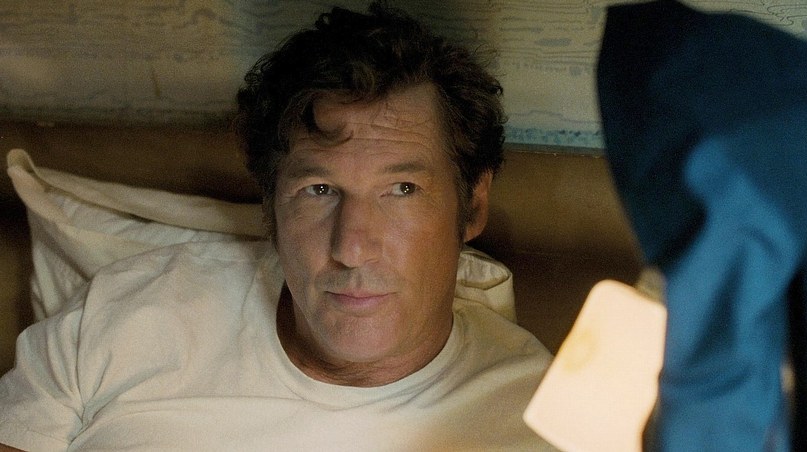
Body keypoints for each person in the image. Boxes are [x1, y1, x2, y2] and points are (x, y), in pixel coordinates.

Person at [0, 2, 554, 450]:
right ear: (270, 206)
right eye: (319, 191)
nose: (352, 248)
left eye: (402, 190)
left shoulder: (540, 418)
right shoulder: (124, 315)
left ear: (471, 207)